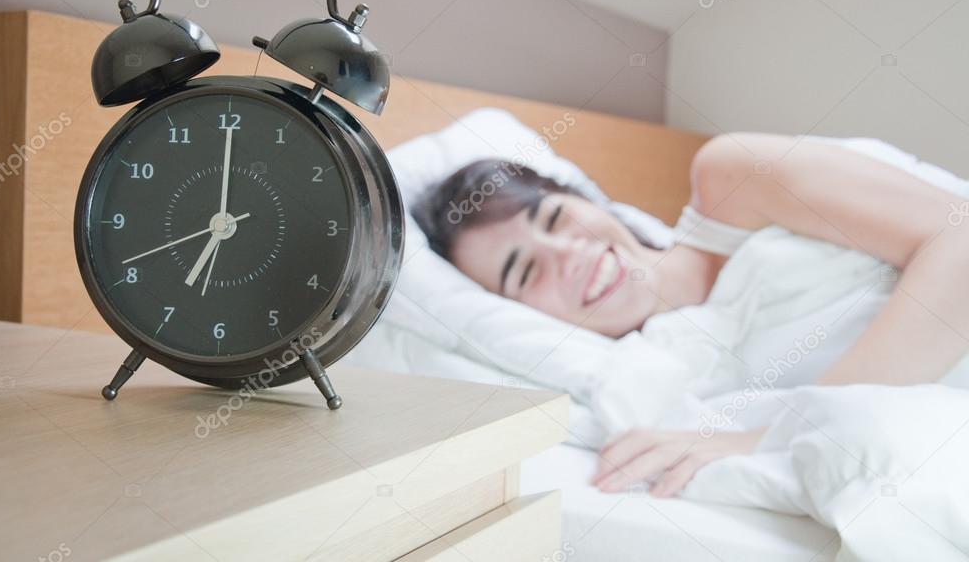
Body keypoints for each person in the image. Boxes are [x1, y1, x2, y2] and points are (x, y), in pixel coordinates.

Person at [413, 133, 969, 497]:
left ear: (588, 200)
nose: (568, 253)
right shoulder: (653, 388)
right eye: (525, 272)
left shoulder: (728, 180)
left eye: (555, 218)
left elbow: (959, 233)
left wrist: (774, 434)